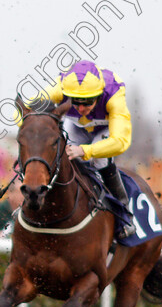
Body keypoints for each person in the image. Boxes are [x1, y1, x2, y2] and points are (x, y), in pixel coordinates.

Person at [36, 60, 136, 239]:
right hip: (75, 126)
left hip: (104, 128)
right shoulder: (58, 87)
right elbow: (22, 113)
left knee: (99, 159)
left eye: (88, 102)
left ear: (99, 95)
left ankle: (124, 213)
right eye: (75, 102)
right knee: (60, 156)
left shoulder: (114, 94)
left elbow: (121, 141)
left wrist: (85, 151)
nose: (81, 108)